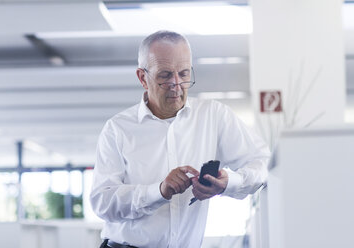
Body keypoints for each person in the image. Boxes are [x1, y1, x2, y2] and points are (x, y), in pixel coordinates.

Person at [90, 30, 270, 248]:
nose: (176, 84)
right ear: (142, 77)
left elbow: (263, 162)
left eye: (184, 74)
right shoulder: (117, 129)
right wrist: (159, 191)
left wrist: (228, 183)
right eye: (165, 76)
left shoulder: (214, 116)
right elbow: (103, 202)